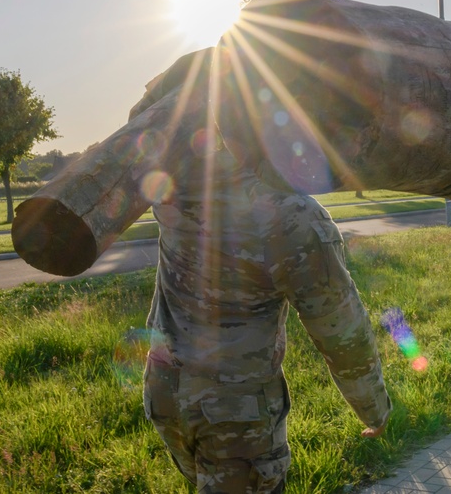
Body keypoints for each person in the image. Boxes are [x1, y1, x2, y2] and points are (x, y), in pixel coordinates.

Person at [131, 48, 391, 493]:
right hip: (235, 413)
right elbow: (340, 329)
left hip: (166, 391)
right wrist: (375, 409)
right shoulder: (289, 215)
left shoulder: (173, 191)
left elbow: (148, 112)